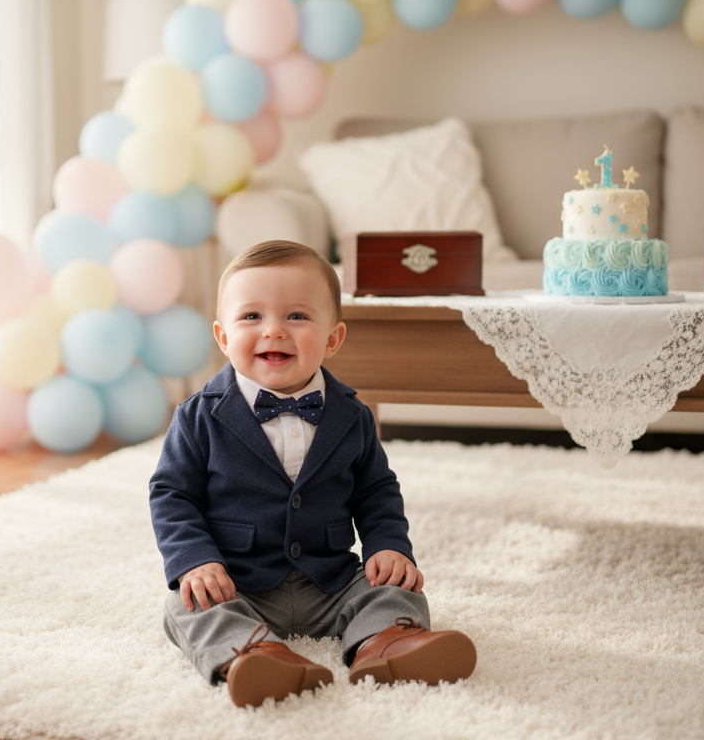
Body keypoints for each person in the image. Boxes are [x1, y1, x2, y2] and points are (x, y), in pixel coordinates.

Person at [149, 240, 476, 708]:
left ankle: (385, 644)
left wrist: (388, 547)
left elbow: (377, 490)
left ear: (332, 339)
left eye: (297, 316)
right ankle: (256, 655)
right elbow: (171, 494)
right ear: (222, 337)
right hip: (239, 581)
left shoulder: (352, 415)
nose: (274, 330)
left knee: (398, 589)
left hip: (330, 579)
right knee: (186, 605)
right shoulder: (197, 416)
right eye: (252, 316)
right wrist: (195, 561)